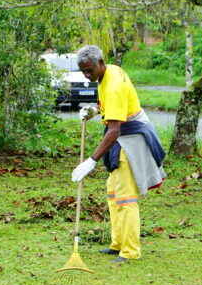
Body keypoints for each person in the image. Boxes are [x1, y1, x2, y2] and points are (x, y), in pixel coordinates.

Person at [71, 45, 166, 264]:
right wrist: (95, 110)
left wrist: (91, 161)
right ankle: (117, 243)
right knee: (113, 192)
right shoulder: (110, 71)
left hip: (131, 139)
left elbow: (114, 130)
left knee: (125, 197)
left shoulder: (113, 85)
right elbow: (110, 107)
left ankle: (130, 250)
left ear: (100, 63)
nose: (87, 75)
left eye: (89, 70)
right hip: (122, 137)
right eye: (83, 71)